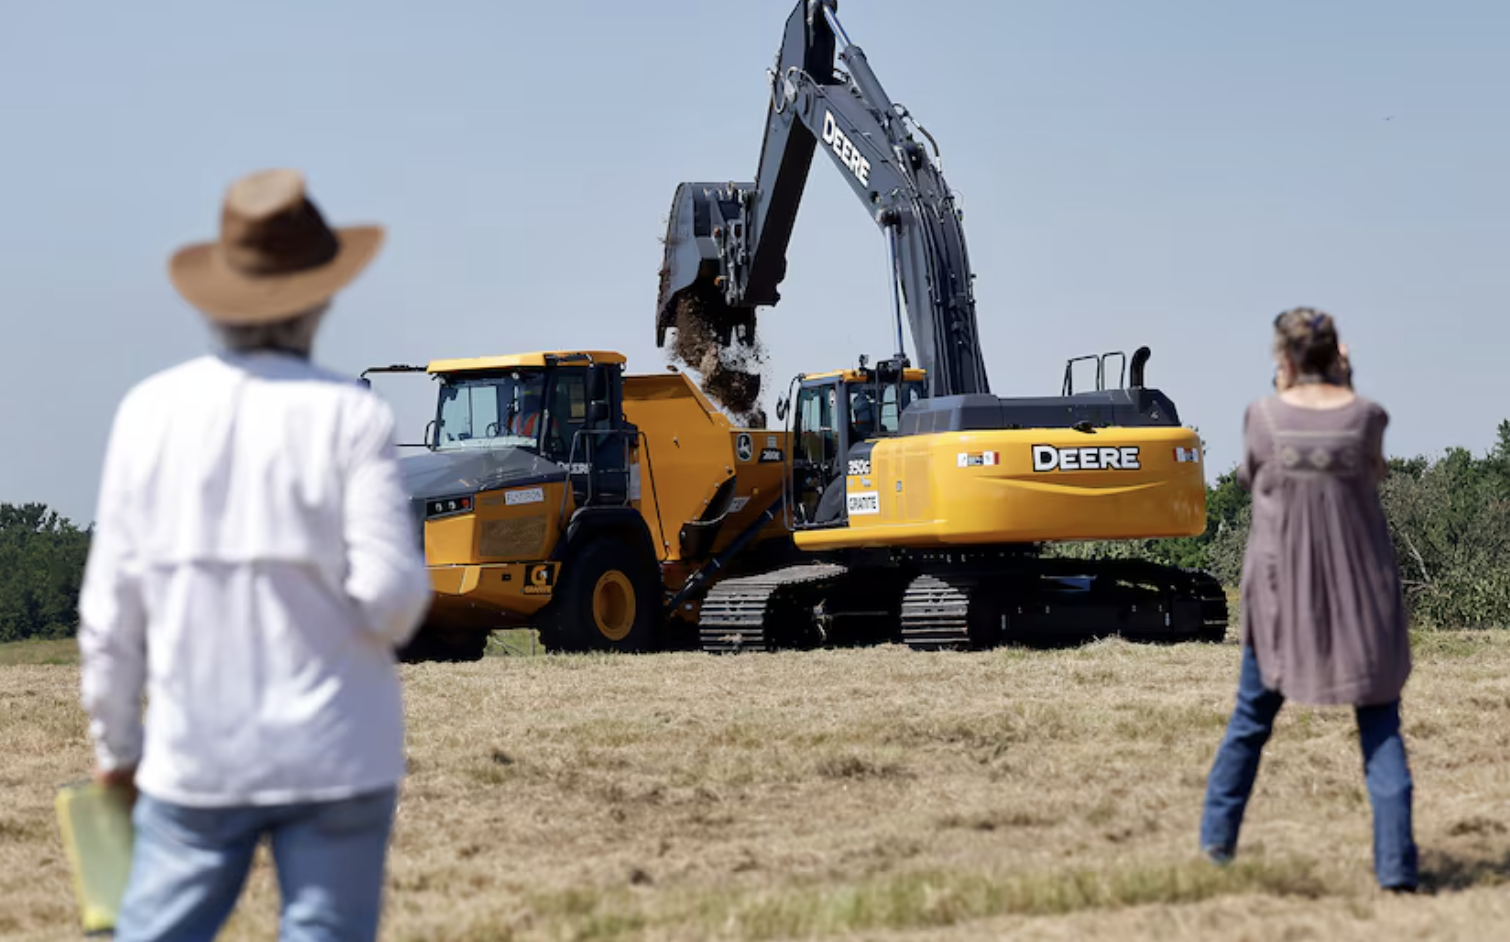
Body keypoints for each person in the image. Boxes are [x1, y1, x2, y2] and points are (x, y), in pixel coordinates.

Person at [77, 168, 433, 940]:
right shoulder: (353, 417)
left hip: (197, 757)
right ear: (321, 296)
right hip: (340, 753)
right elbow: (394, 597)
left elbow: (108, 618)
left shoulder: (148, 415)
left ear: (217, 297)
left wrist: (117, 751)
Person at [1199, 307, 1417, 892]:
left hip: (1279, 599)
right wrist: (1345, 382)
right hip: (1361, 597)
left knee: (1249, 722)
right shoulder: (1368, 416)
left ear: (1286, 359)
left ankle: (1215, 849)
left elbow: (1250, 477)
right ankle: (1397, 871)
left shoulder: (1262, 418)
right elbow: (1373, 470)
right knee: (1381, 729)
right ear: (1336, 357)